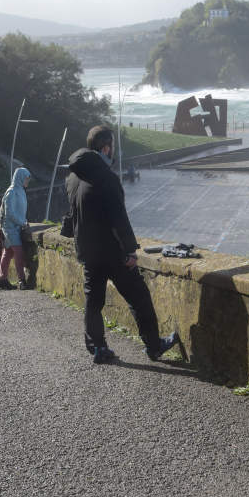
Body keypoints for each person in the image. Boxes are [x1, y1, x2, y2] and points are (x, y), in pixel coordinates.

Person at [65, 125, 180, 364]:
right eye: (113, 147)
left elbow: (74, 214)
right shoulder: (106, 178)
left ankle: (97, 347)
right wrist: (129, 250)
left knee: (93, 301)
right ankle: (154, 345)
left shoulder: (73, 177)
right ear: (106, 147)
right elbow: (119, 219)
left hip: (88, 251)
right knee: (139, 297)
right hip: (112, 252)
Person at [0, 166, 34, 290]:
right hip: (10, 228)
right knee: (19, 253)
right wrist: (22, 222)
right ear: (21, 178)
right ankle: (21, 280)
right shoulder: (11, 192)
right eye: (26, 179)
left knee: (8, 252)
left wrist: (23, 221)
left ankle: (2, 279)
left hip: (14, 227)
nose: (28, 181)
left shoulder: (20, 190)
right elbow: (10, 212)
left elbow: (17, 211)